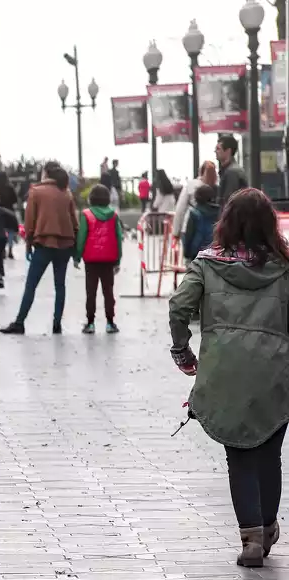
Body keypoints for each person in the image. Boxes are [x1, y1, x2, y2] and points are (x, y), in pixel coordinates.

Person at [167, 188, 289, 568]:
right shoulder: (286, 265)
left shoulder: (206, 264)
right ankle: (267, 527)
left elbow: (179, 306)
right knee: (269, 453)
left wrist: (183, 353)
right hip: (277, 371)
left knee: (239, 455)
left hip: (224, 369)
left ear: (227, 223)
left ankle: (251, 537)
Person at [0, 162, 78, 335]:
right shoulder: (67, 193)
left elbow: (29, 222)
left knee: (31, 285)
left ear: (46, 174)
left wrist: (28, 245)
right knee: (60, 285)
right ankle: (56, 324)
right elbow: (75, 222)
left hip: (43, 244)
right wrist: (76, 250)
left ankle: (20, 322)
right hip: (65, 245)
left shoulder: (36, 192)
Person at [75, 185, 123, 335]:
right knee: (108, 292)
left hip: (91, 260)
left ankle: (90, 323)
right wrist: (118, 260)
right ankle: (110, 323)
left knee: (91, 292)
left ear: (91, 198)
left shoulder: (86, 214)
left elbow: (81, 237)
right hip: (109, 259)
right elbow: (118, 238)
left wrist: (77, 256)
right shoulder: (114, 216)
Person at [174, 160, 219, 235]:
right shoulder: (217, 189)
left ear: (200, 172)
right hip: (212, 231)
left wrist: (176, 232)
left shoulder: (190, 185)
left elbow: (180, 210)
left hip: (190, 228)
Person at [182, 184, 221, 262]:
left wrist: (186, 253)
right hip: (215, 252)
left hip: (197, 253)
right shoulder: (219, 212)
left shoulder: (194, 213)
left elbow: (188, 235)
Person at [0, 171, 19, 259]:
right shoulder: (10, 187)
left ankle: (3, 250)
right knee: (10, 231)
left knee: (1, 231)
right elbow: (15, 200)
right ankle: (10, 250)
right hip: (9, 212)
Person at [217, 135, 249, 207]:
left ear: (228, 151)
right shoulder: (231, 170)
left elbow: (229, 201)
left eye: (218, 149)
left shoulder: (232, 172)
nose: (215, 151)